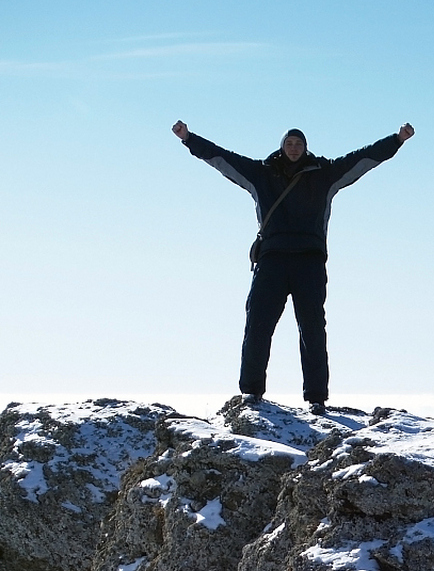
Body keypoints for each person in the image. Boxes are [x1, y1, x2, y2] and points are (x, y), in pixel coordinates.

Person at [171, 119, 415, 413]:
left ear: (306, 148)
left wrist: (397, 140)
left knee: (312, 329)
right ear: (282, 146)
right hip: (271, 260)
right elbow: (222, 158)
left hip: (309, 261)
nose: (294, 148)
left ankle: (316, 398)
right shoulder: (261, 174)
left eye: (299, 144)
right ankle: (251, 392)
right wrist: (188, 138)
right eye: (289, 144)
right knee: (258, 324)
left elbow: (363, 158)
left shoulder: (324, 174)